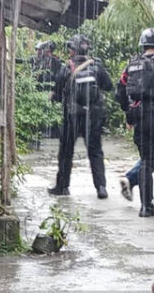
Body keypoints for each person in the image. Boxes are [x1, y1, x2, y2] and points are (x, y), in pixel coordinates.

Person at [48, 34, 113, 199]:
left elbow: (57, 94)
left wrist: (58, 96)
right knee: (95, 151)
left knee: (66, 152)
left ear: (71, 50)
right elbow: (108, 86)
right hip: (94, 116)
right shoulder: (96, 66)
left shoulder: (66, 68)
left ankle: (62, 187)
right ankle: (101, 188)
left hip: (72, 117)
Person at [115, 27, 154, 216]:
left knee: (146, 160)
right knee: (148, 161)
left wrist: (128, 115)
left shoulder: (132, 65)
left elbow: (119, 90)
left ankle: (146, 207)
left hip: (139, 116)